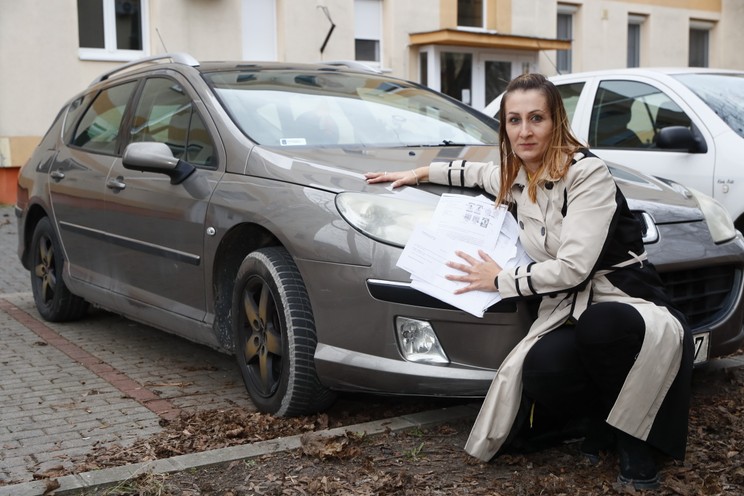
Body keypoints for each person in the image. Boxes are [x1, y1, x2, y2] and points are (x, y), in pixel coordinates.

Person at [365, 72, 693, 490]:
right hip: (568, 307)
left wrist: (499, 279)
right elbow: (472, 173)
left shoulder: (587, 174)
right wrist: (419, 172)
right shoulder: (516, 173)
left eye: (536, 118)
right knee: (541, 367)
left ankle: (636, 445)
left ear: (556, 121)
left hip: (628, 299)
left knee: (602, 327)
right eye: (514, 120)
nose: (524, 131)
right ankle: (599, 423)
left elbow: (574, 268)